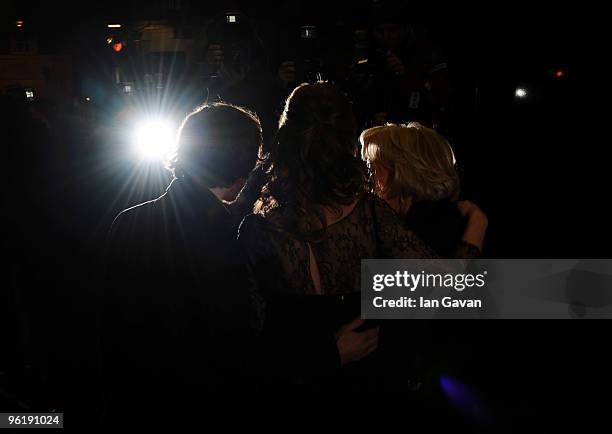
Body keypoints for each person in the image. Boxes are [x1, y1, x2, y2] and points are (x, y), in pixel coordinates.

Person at [237, 82, 487, 392]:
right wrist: (477, 225)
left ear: (285, 139)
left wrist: (324, 355)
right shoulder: (370, 214)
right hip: (368, 389)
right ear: (347, 141)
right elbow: (447, 290)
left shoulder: (255, 228)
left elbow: (248, 343)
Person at [101, 102, 262, 424]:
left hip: (138, 396)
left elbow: (110, 319)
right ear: (243, 162)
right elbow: (237, 335)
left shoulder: (128, 220)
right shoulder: (234, 231)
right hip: (206, 402)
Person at [360, 122, 467, 257]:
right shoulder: (384, 215)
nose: (366, 174)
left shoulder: (437, 222)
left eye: (371, 165)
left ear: (402, 170)